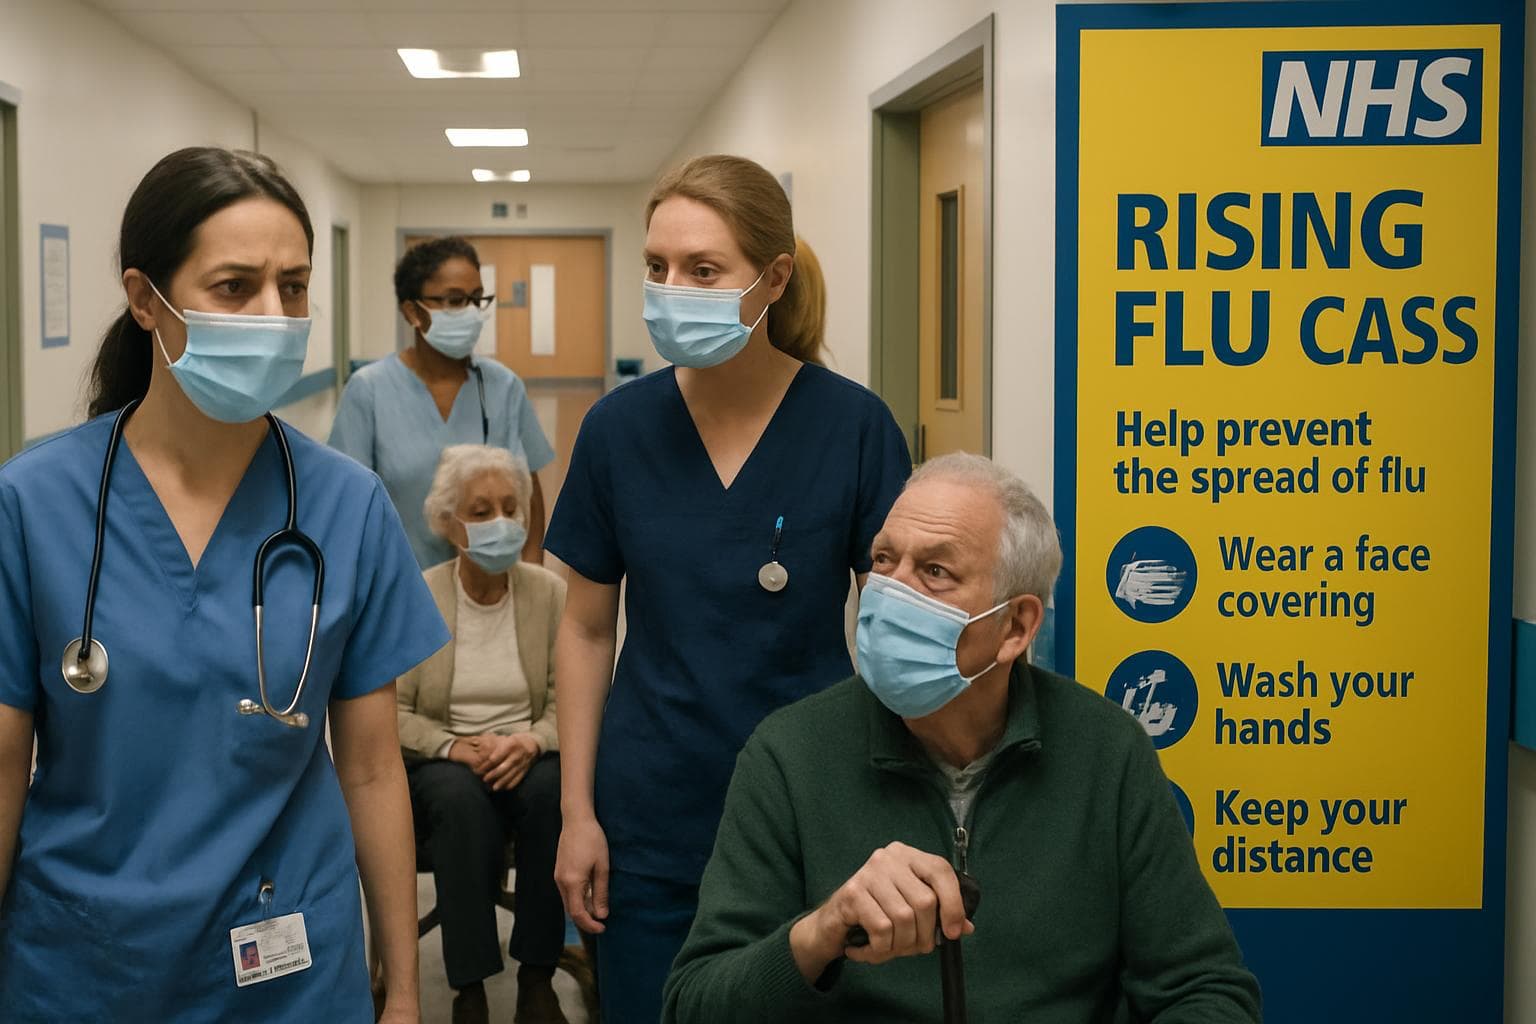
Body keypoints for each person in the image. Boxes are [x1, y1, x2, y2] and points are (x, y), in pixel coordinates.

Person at [0, 148, 448, 1022]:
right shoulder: (33, 504)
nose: (274, 317)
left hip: (289, 962)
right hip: (85, 965)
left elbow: (369, 769)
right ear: (145, 300)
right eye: (236, 287)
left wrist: (402, 991)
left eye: (294, 286)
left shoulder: (344, 505)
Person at [663, 453, 1263, 1023]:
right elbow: (694, 1005)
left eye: (935, 572)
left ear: (1015, 627)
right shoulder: (790, 755)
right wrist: (822, 932)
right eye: (884, 560)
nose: (890, 591)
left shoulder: (1106, 751)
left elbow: (1207, 990)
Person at [547, 154, 912, 1022]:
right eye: (657, 266)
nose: (672, 290)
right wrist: (576, 811)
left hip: (812, 802)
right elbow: (587, 630)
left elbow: (899, 628)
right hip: (649, 807)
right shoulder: (617, 430)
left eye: (703, 270)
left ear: (773, 279)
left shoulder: (853, 426)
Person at [397, 445, 568, 1024]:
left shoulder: (549, 593)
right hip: (446, 759)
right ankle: (469, 989)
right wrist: (452, 747)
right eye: (480, 510)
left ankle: (536, 979)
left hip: (529, 753)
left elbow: (568, 700)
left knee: (555, 793)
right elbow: (392, 712)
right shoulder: (421, 595)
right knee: (457, 800)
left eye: (510, 508)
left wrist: (530, 742)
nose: (501, 522)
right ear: (449, 524)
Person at [329, 236, 556, 569]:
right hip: (402, 584)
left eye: (477, 299)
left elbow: (529, 497)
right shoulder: (369, 390)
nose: (471, 312)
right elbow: (348, 507)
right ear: (413, 312)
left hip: (492, 584)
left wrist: (532, 576)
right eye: (455, 300)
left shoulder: (503, 386)